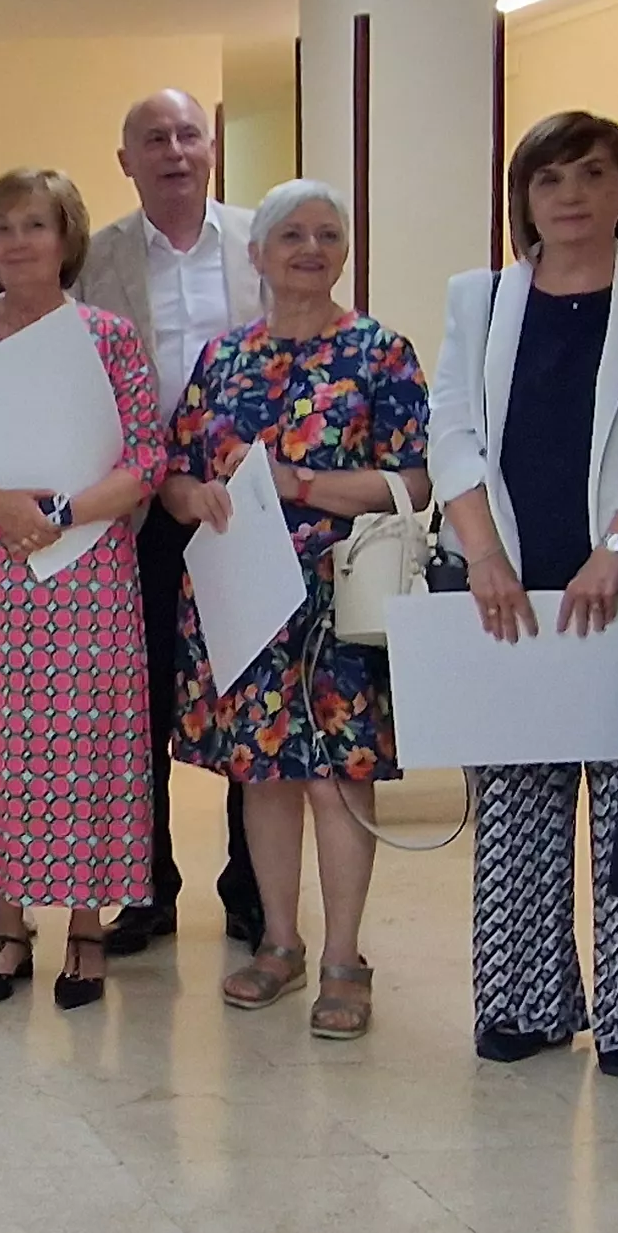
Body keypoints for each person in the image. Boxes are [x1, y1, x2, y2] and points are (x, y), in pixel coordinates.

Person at [431, 114, 618, 1076]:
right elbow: (453, 433)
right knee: (517, 802)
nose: (573, 196)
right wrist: (482, 555)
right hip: (509, 578)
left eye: (595, 175)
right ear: (525, 200)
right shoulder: (483, 296)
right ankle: (525, 1006)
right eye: (550, 180)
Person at [160, 180, 430, 1042]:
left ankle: (346, 960)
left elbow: (416, 479)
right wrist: (194, 495)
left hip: (340, 599)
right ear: (259, 255)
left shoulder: (380, 353)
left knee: (338, 777)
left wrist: (298, 484)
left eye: (327, 235)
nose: (310, 249)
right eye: (292, 236)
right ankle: (279, 943)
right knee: (263, 777)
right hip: (243, 596)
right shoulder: (224, 358)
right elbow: (173, 472)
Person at [0, 169, 163, 1011]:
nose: (18, 242)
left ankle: (87, 926)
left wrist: (63, 512)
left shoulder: (110, 337)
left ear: (67, 238)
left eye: (36, 225)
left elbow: (147, 462)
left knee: (86, 744)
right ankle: (10, 926)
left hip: (87, 568)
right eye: (2, 228)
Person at [75, 89, 272, 958]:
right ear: (126, 159)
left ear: (212, 147)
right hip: (139, 510)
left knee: (247, 692)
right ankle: (146, 887)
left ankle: (252, 886)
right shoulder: (97, 256)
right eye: (153, 138)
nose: (175, 150)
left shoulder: (264, 242)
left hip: (245, 505)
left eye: (189, 134)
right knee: (140, 698)